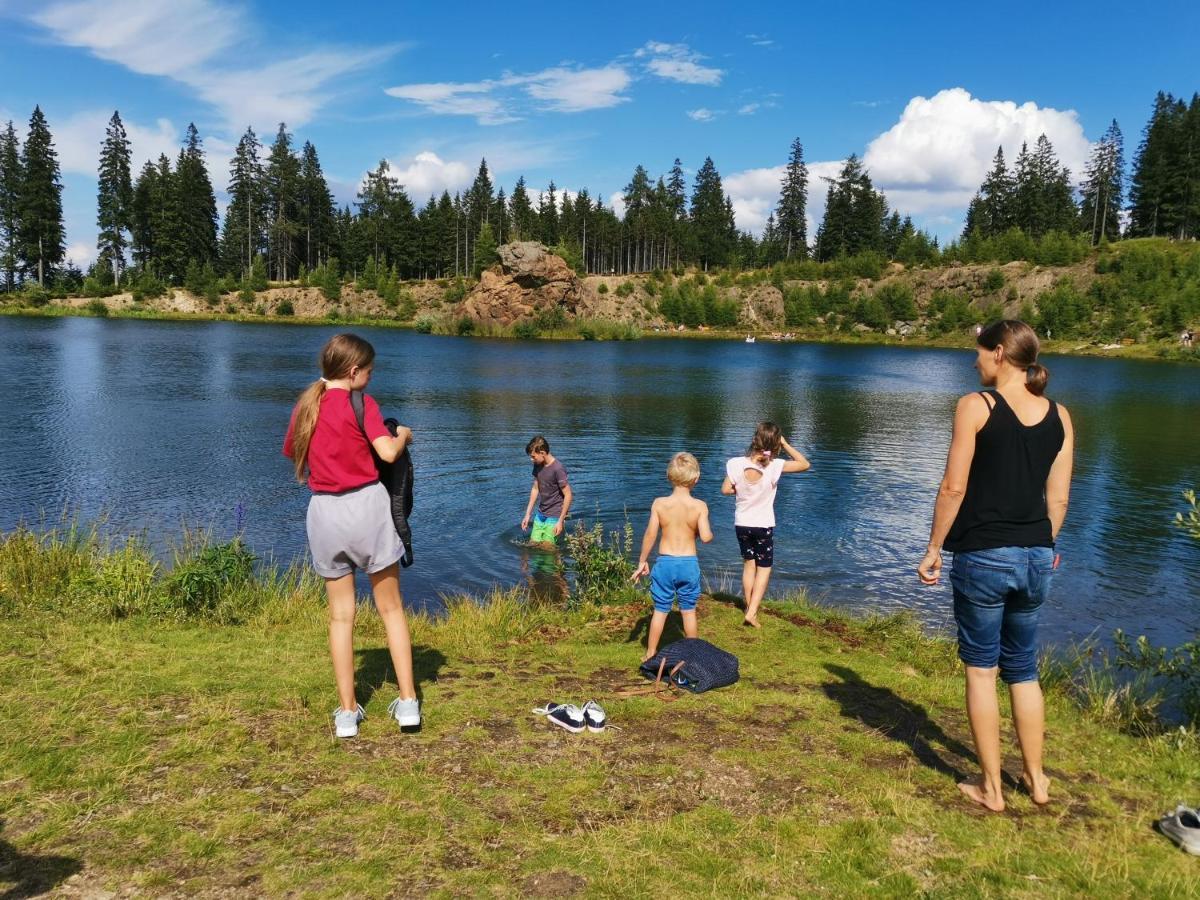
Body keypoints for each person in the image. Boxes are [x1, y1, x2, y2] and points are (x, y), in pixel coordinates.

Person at [918, 320, 1074, 813]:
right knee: (1024, 670)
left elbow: (953, 488)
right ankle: (1037, 779)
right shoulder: (1061, 416)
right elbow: (1061, 497)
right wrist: (1046, 543)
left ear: (1001, 353)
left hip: (984, 554)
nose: (975, 361)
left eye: (980, 353)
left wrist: (933, 548)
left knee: (982, 671)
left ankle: (991, 788)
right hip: (1036, 556)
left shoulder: (976, 406)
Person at [283, 333, 421, 738]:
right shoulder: (364, 404)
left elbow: (295, 452)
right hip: (366, 509)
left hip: (324, 513)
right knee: (391, 609)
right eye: (370, 371)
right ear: (354, 371)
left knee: (341, 616)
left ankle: (347, 713)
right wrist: (405, 435)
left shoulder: (307, 404)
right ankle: (408, 703)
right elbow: (389, 454)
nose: (372, 379)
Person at [721, 423, 811, 628]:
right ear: (776, 445)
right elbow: (804, 464)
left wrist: (743, 491)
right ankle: (752, 612)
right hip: (763, 526)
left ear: (755, 440)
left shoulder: (735, 463)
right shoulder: (775, 465)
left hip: (741, 524)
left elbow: (725, 490)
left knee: (748, 565)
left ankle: (747, 605)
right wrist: (786, 444)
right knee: (764, 568)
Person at [631, 452, 713, 661]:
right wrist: (705, 532)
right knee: (688, 610)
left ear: (669, 477)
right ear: (696, 479)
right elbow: (705, 537)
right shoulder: (700, 506)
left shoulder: (659, 504)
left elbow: (650, 534)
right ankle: (693, 655)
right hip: (688, 563)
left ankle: (650, 652)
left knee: (660, 609)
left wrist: (642, 561)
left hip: (665, 563)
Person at [521, 436, 572, 544]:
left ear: (542, 453)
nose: (531, 459)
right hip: (541, 513)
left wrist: (560, 521)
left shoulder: (558, 468)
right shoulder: (537, 465)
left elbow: (568, 495)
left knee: (547, 548)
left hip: (555, 516)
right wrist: (527, 514)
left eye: (533, 457)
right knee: (532, 543)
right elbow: (535, 488)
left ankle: (557, 560)